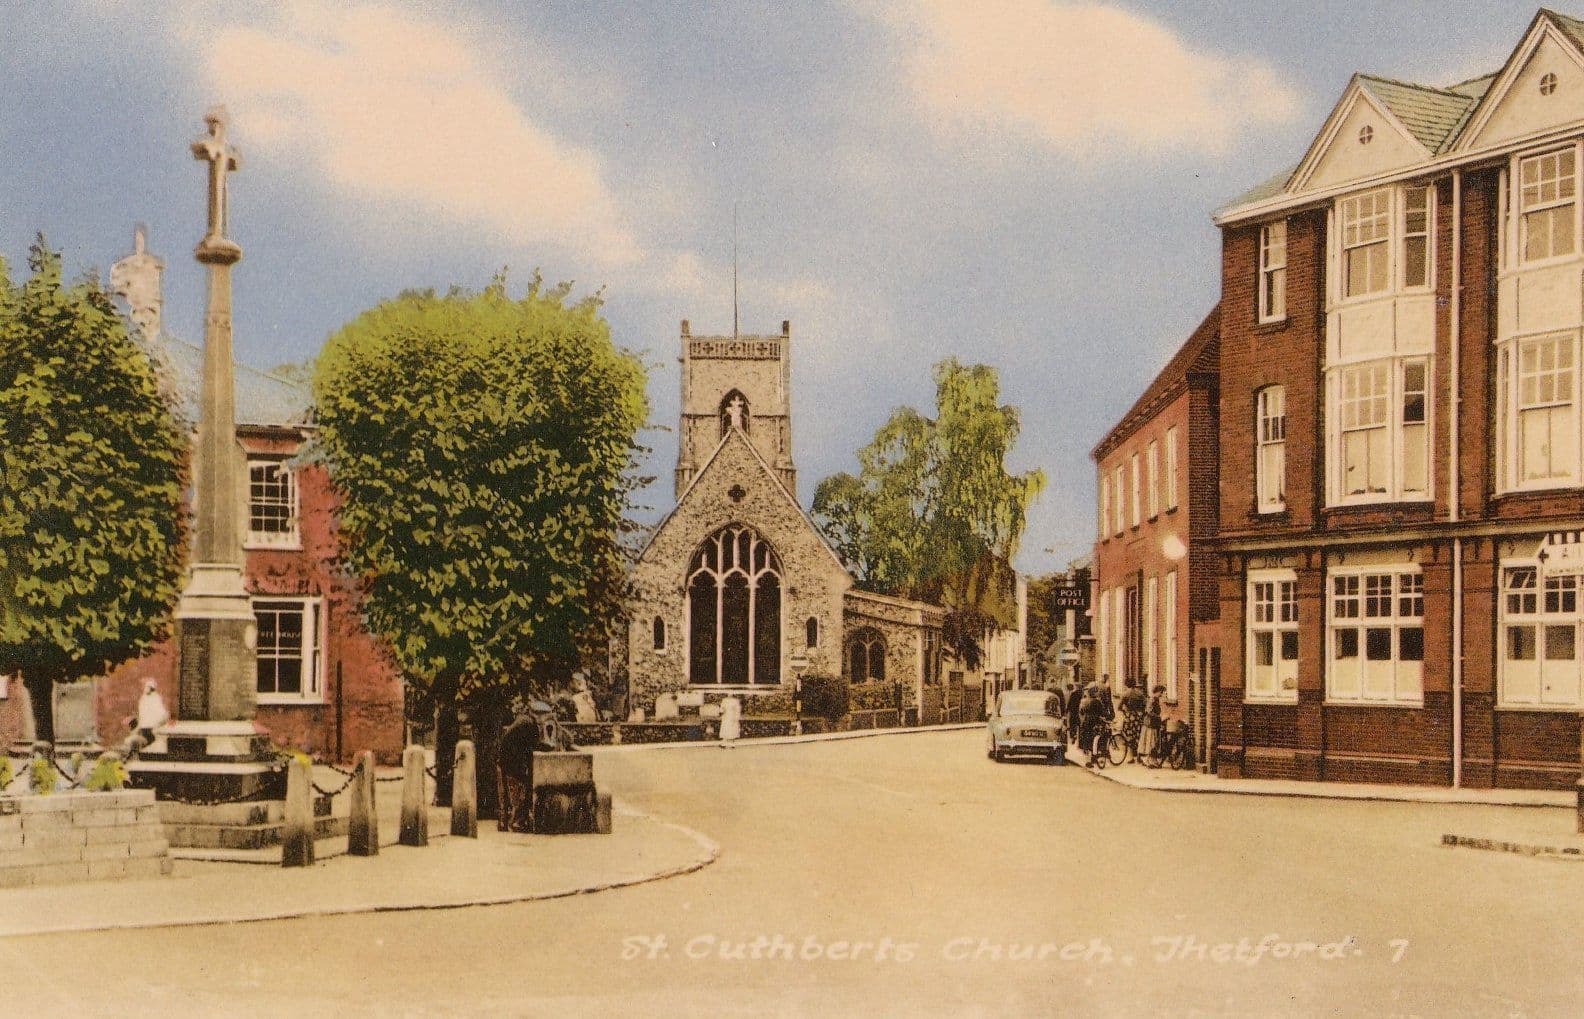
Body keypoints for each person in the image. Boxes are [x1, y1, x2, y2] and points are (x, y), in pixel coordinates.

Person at [1078, 687, 1107, 767]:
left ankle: (1089, 760)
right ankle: (1095, 758)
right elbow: (1102, 712)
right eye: (1097, 692)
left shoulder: (1086, 701)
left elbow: (1082, 711)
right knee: (1098, 738)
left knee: (1088, 740)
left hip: (1087, 722)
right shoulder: (1097, 702)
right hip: (1094, 722)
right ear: (1095, 693)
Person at [1140, 685, 1165, 763]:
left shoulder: (1155, 699)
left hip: (1154, 723)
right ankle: (1148, 760)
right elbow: (1149, 712)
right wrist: (1160, 717)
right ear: (1157, 692)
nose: (1161, 694)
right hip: (1150, 724)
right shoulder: (1152, 700)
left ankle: (1150, 760)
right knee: (1151, 743)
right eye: (1161, 692)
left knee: (1153, 743)